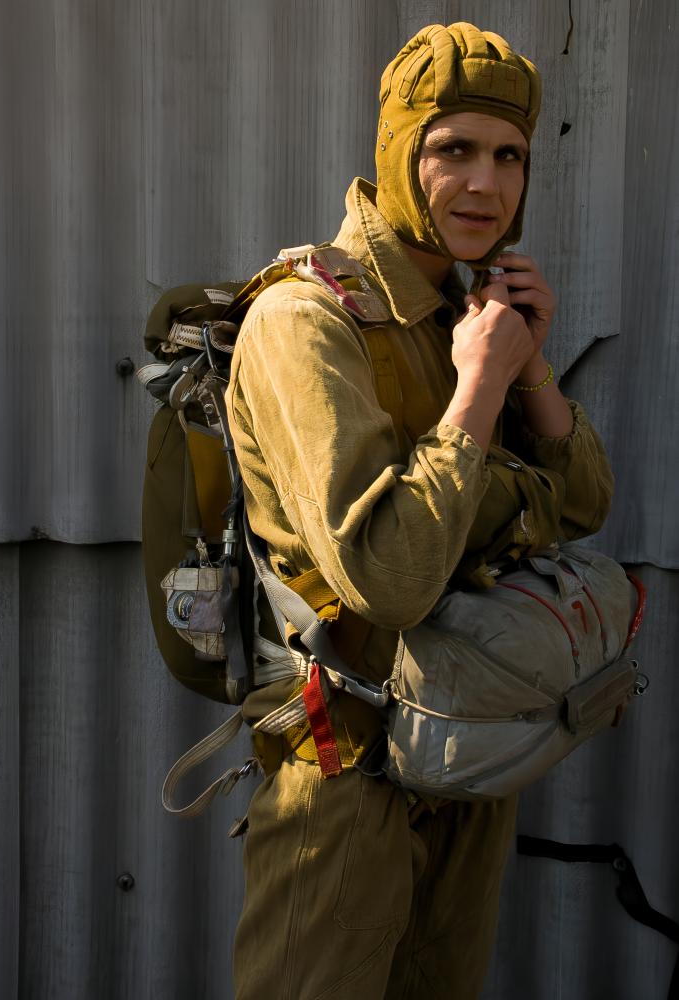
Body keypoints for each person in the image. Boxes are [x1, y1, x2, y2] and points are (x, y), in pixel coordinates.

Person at [225, 22, 613, 1000]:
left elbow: (586, 506)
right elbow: (389, 579)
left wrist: (529, 370)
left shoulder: (470, 313)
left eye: (509, 156)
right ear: (399, 151)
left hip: (467, 748)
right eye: (453, 150)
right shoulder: (303, 319)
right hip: (343, 767)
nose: (485, 185)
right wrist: (480, 392)